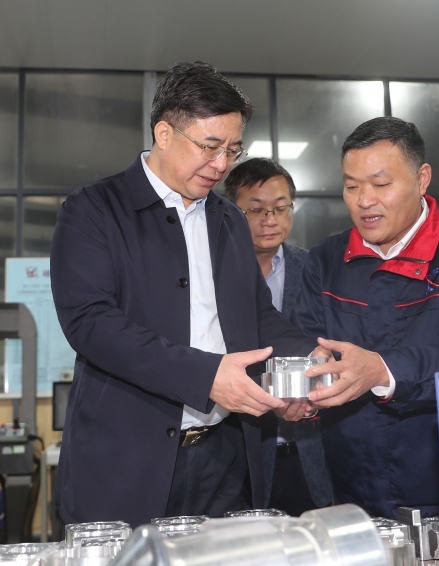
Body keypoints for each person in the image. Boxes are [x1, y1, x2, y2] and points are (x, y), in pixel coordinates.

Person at [50, 62, 316, 527]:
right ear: (164, 133)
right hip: (127, 463)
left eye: (232, 150)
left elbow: (257, 315)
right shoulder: (94, 210)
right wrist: (205, 375)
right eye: (210, 147)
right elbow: (90, 323)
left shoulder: (228, 220)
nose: (222, 165)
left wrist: (312, 360)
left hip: (223, 459)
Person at [295, 116, 439, 518]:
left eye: (380, 184)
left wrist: (382, 370)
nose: (364, 200)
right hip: (350, 488)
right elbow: (306, 342)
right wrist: (301, 392)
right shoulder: (325, 260)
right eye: (351, 186)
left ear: (422, 178)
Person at [223, 158, 333, 516]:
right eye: (256, 210)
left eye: (281, 208)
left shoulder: (315, 270)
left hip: (309, 455)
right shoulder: (213, 276)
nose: (270, 220)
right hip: (239, 458)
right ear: (230, 212)